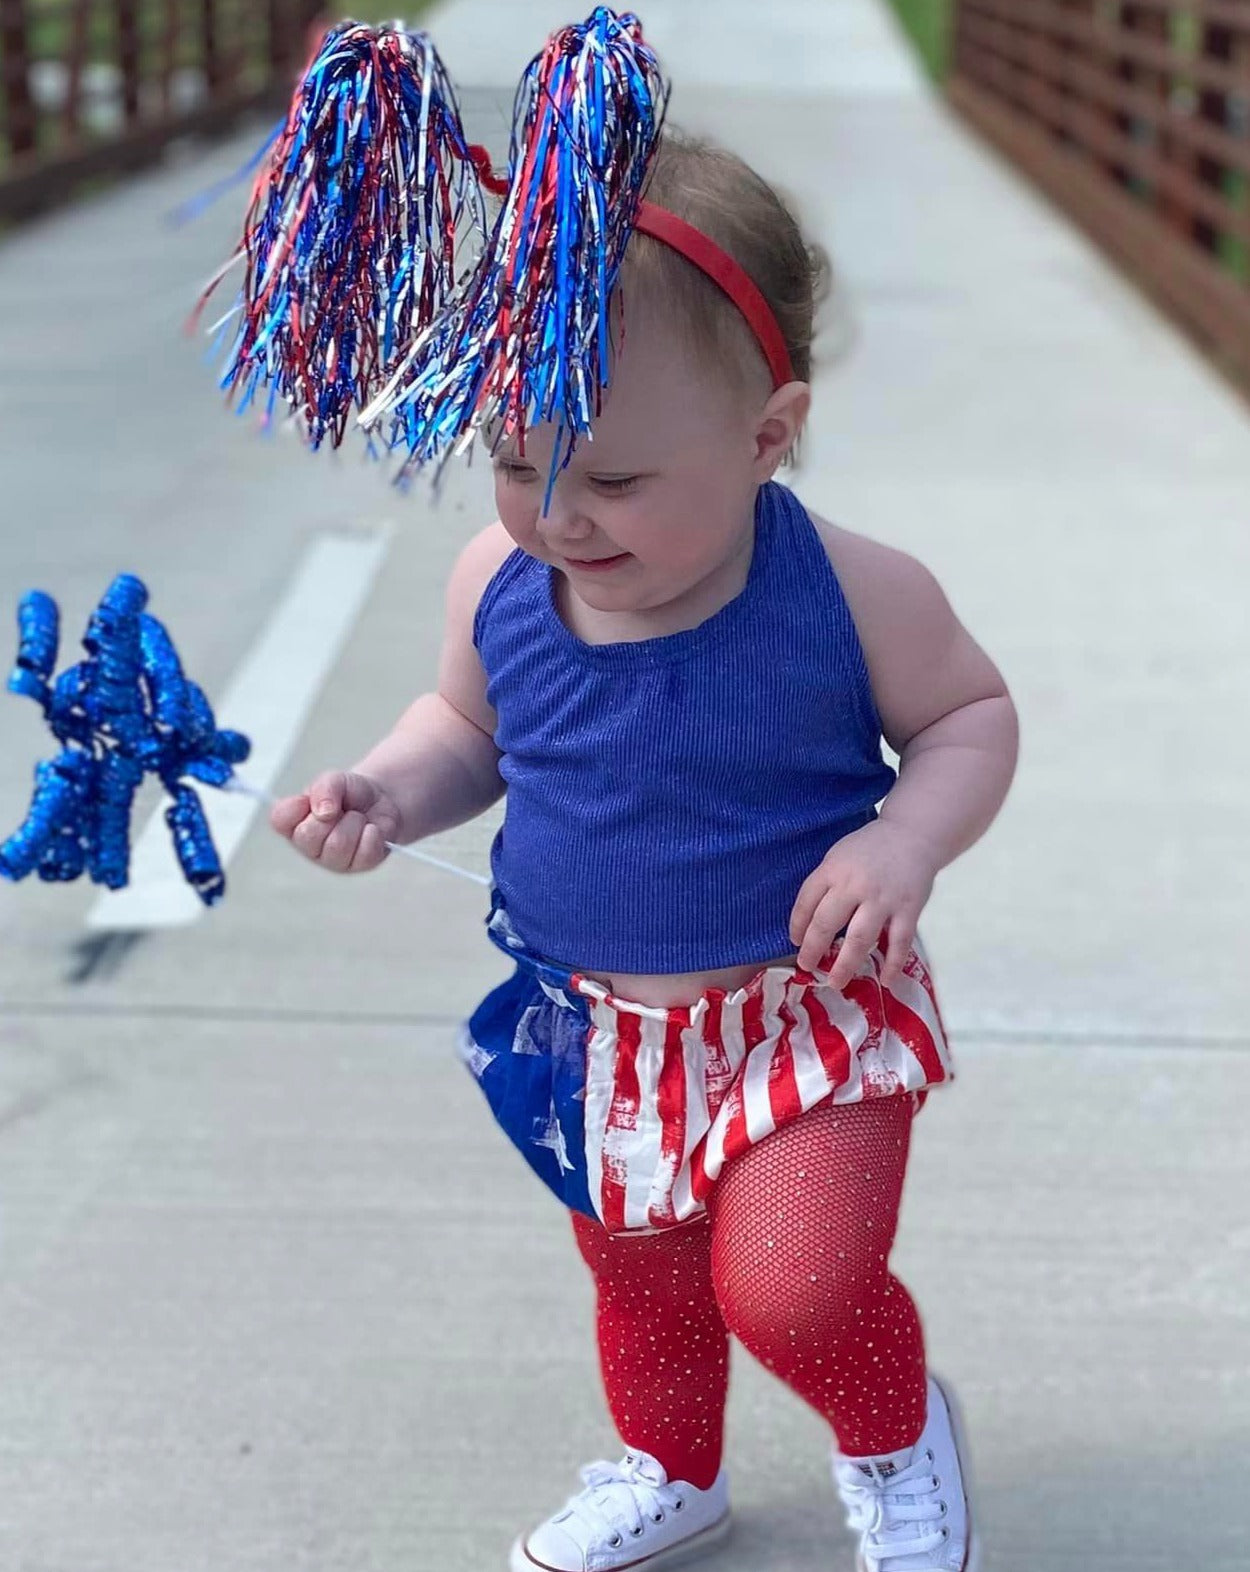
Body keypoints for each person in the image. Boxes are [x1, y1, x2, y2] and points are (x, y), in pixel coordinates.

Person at [269, 56, 1017, 1572]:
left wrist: (901, 839)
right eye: (515, 462)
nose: (555, 515)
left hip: (802, 1019)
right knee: (643, 1282)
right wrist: (385, 787)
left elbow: (966, 718)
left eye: (607, 475)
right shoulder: (503, 584)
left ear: (764, 433)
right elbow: (468, 731)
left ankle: (892, 1435)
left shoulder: (852, 593)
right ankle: (669, 1469)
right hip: (600, 1031)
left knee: (793, 1289)